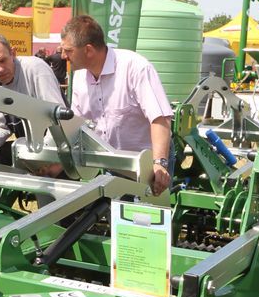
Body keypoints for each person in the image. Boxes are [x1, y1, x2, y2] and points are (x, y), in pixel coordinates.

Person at [60, 15, 174, 196]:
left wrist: (159, 163)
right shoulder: (81, 76)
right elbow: (77, 125)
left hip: (145, 166)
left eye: (68, 50)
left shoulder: (135, 67)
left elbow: (160, 118)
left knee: (145, 220)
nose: (63, 56)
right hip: (108, 164)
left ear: (88, 50)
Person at [0, 34, 65, 159]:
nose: (0, 69)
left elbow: (58, 117)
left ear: (13, 53)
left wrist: (46, 157)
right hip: (29, 145)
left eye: (3, 60)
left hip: (58, 142)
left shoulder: (35, 68)